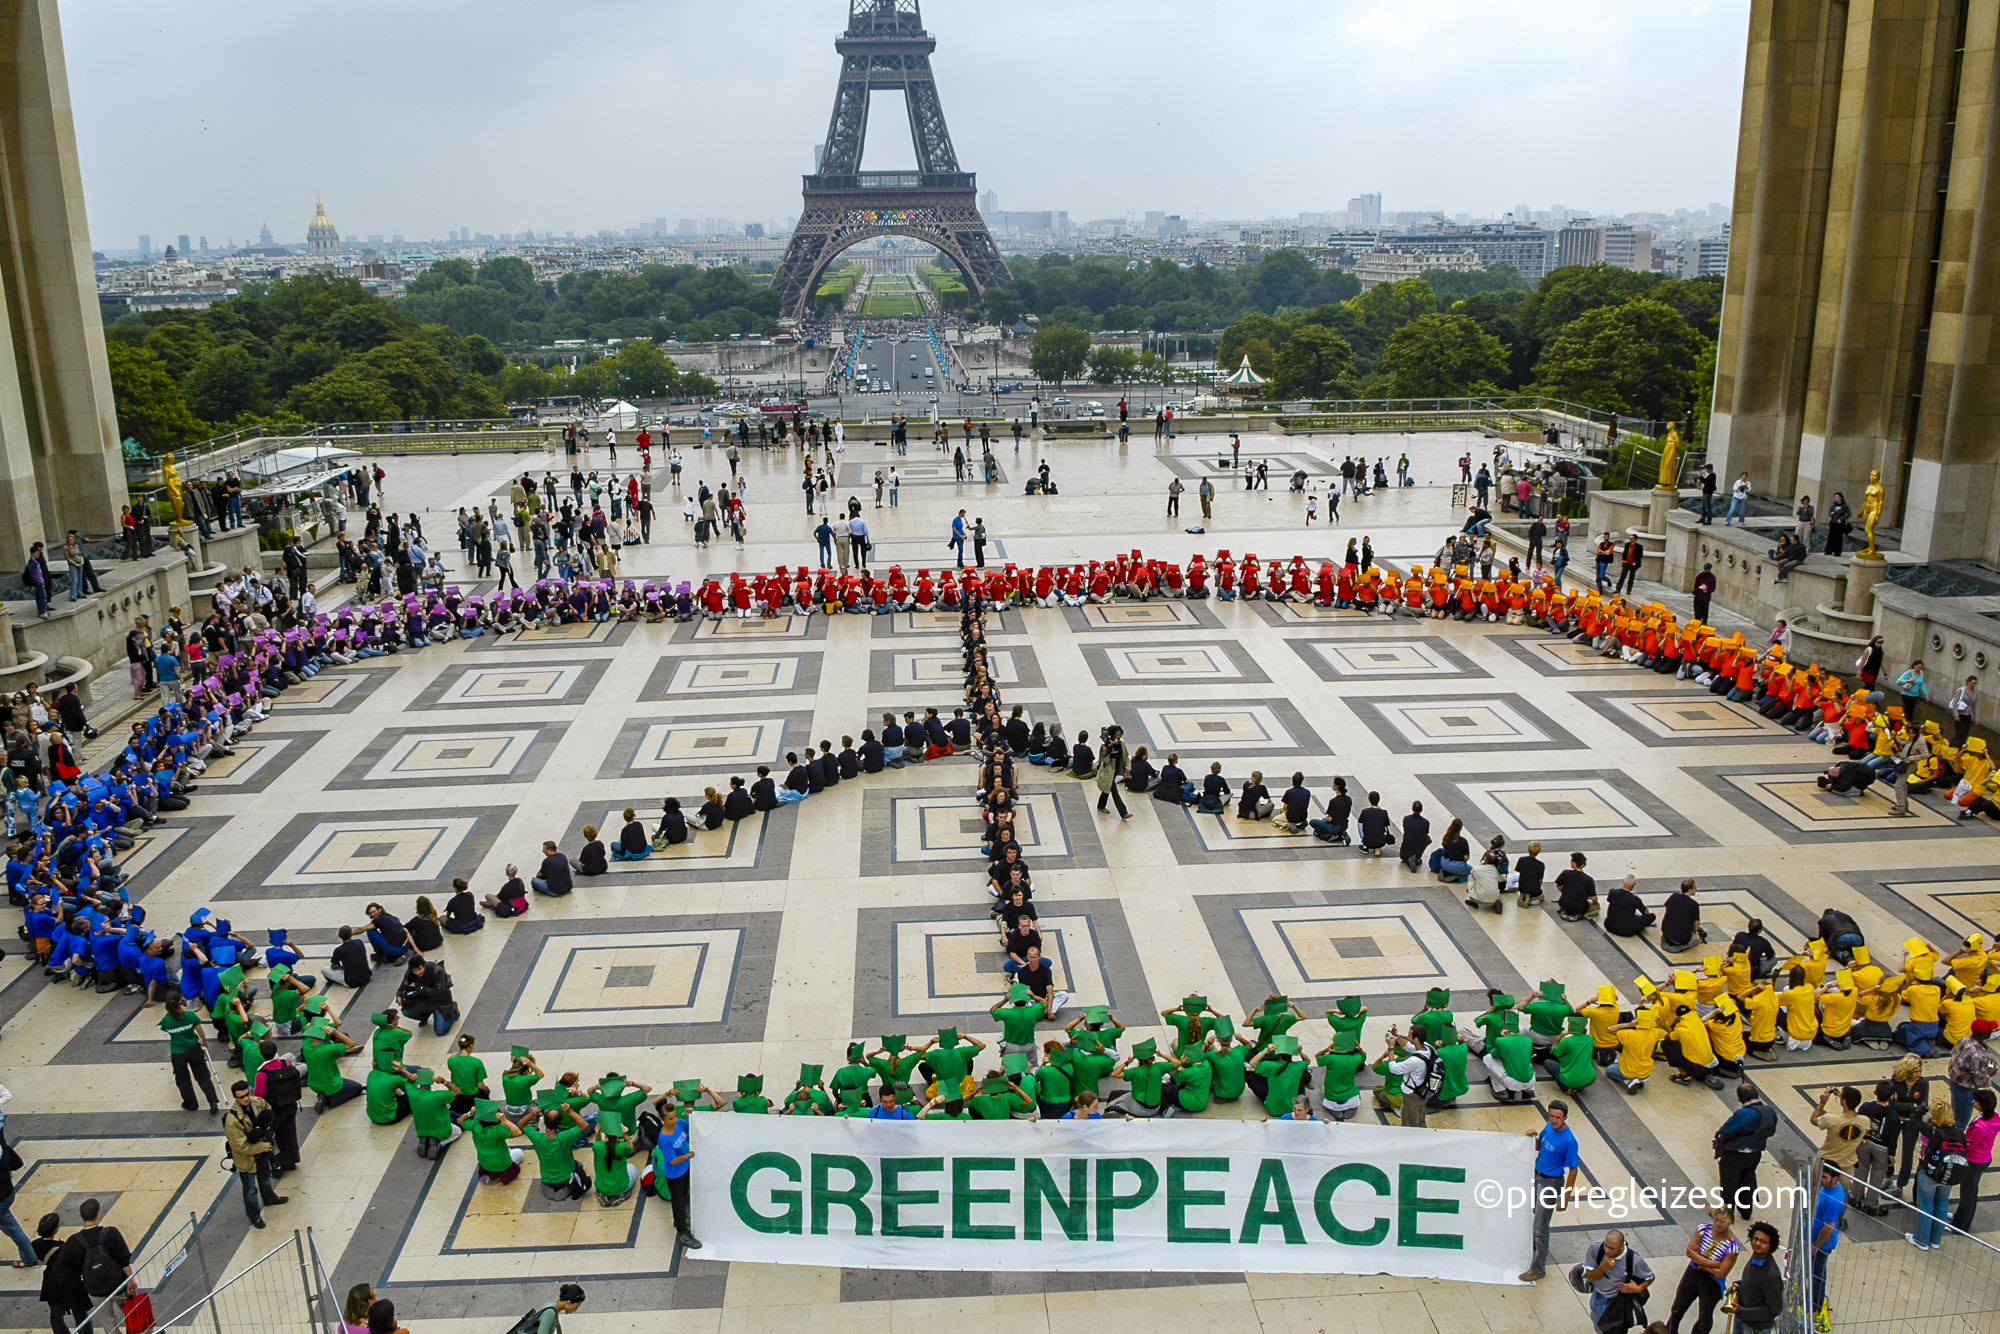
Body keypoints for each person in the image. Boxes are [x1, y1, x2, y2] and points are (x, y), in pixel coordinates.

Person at [1518, 1099, 1580, 1283]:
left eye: (1558, 1117)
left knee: (1541, 1227)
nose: (1554, 1120)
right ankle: (1535, 1249)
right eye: (1551, 1116)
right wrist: (1531, 1137)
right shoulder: (1549, 1126)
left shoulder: (1569, 1140)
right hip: (1537, 1175)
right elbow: (1540, 1145)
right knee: (1534, 1214)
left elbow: (1573, 1170)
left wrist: (1565, 1198)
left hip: (1551, 1183)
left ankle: (1537, 1269)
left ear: (1565, 1117)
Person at [1663, 1205, 1740, 1334]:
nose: (1718, 1224)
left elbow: (1721, 1272)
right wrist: (1710, 1263)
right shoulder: (1703, 1229)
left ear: (1730, 1222)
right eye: (1716, 1219)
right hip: (1693, 1273)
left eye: (1723, 1221)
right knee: (1677, 1309)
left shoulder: (1732, 1245)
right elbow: (1690, 1252)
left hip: (1712, 1282)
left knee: (1705, 1316)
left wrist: (1699, 1259)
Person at [223, 1080, 288, 1229]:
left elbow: (268, 1111)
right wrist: (263, 1146)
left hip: (262, 1153)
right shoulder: (232, 1120)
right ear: (235, 1098)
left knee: (265, 1178)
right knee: (250, 1190)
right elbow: (240, 1146)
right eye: (241, 1097)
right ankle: (254, 1215)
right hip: (247, 1158)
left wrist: (266, 1128)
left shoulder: (257, 1102)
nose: (246, 1098)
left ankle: (270, 1198)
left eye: (247, 1094)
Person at [1713, 1082, 1778, 1220]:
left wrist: (1718, 1142)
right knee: (1747, 1179)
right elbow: (1771, 1131)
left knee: (1729, 1182)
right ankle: (1746, 1211)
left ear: (1740, 1098)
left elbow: (1726, 1131)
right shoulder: (1769, 1111)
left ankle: (1727, 1212)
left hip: (1735, 1155)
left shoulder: (1743, 1114)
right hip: (1755, 1153)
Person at [1580, 1230, 1654, 1332]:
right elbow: (1590, 1277)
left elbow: (1650, 1277)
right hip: (1598, 1298)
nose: (1607, 1250)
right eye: (1606, 1245)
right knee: (1599, 1328)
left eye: (1612, 1248)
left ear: (1621, 1247)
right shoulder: (1596, 1249)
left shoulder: (1634, 1261)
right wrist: (1603, 1267)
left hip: (1617, 1303)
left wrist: (1638, 1288)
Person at [1727, 1221, 1786, 1334]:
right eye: (1756, 1239)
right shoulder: (1756, 1258)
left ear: (1771, 1246)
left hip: (1756, 1329)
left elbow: (1774, 1309)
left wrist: (1742, 1312)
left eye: (1763, 1242)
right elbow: (1755, 1284)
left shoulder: (1771, 1275)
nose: (1758, 1243)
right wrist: (1739, 1285)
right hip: (1742, 1320)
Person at [1808, 1161, 1845, 1325]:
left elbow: (1828, 1227)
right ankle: (1815, 1299)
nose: (1821, 1179)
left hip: (1822, 1243)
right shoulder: (1828, 1188)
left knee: (1817, 1275)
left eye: (1824, 1177)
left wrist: (1816, 1245)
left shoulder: (1833, 1200)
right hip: (1816, 1238)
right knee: (1817, 1273)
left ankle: (1815, 1306)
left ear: (1834, 1178)